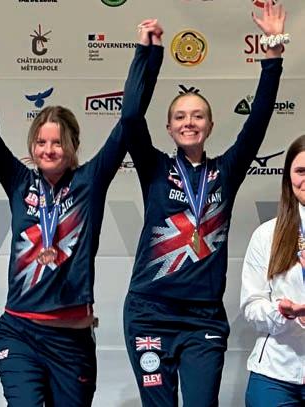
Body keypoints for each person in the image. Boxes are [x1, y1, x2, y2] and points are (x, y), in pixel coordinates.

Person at [0, 22, 164, 406]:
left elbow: (130, 119)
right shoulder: (19, 181)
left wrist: (147, 54)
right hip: (20, 332)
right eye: (40, 141)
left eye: (57, 142)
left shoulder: (90, 180)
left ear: (72, 145)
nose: (48, 149)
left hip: (71, 340)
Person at [123, 3, 285, 406]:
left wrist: (272, 55)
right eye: (180, 117)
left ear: (210, 126)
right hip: (149, 312)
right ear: (169, 127)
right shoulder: (156, 169)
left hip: (203, 319)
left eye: (197, 116)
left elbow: (258, 122)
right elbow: (130, 118)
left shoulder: (225, 172)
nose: (189, 122)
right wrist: (147, 55)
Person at [241, 134, 305, 407]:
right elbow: (251, 306)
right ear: (288, 178)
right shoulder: (267, 235)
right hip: (276, 375)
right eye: (301, 171)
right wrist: (283, 312)